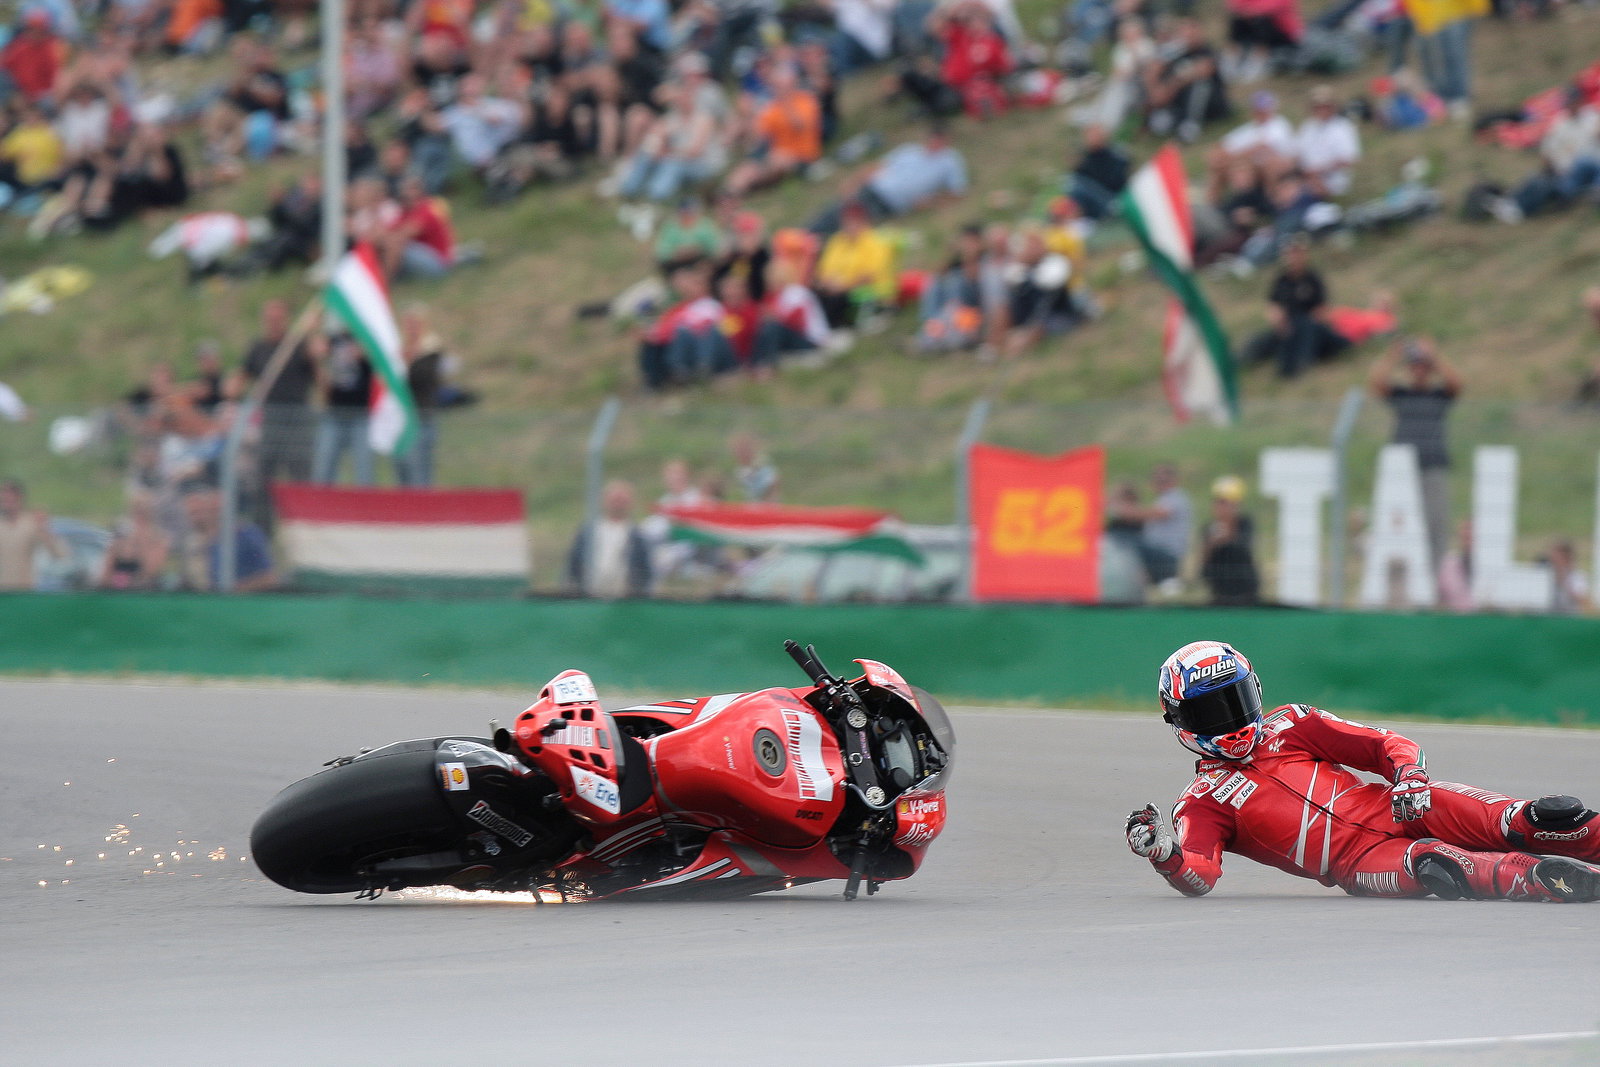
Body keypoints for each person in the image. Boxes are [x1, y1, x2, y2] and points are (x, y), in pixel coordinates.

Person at [1125, 640, 1600, 901]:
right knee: (1440, 864)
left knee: (1541, 817)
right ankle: (1547, 880)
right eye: (1212, 712)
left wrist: (1409, 776)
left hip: (1401, 807)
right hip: (1358, 864)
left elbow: (1385, 744)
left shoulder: (1293, 722)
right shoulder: (1201, 801)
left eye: (1237, 701)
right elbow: (1199, 876)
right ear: (1182, 721)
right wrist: (1164, 853)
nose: (1230, 720)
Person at [1368, 335, 1460, 569]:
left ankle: (1435, 576)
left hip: (1432, 465)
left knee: (1435, 524)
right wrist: (1393, 356)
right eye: (1415, 366)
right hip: (1403, 469)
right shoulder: (1401, 395)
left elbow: (1456, 384)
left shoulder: (1438, 396)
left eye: (1423, 367)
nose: (1419, 371)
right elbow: (1376, 383)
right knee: (1398, 524)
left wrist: (1434, 356)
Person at [807, 123, 969, 236]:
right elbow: (878, 166)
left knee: (850, 226)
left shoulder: (950, 161)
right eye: (934, 137)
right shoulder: (910, 151)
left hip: (890, 204)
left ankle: (814, 246)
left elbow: (958, 191)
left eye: (940, 139)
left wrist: (933, 201)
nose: (935, 142)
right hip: (873, 189)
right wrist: (853, 182)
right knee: (835, 211)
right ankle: (803, 234)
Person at [564, 479, 653, 598]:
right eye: (614, 500)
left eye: (622, 501)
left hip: (624, 602)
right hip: (589, 599)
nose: (618, 505)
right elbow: (573, 566)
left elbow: (645, 572)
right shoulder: (588, 533)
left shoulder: (637, 537)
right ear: (604, 501)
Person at [179, 485, 277, 592]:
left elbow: (268, 577)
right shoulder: (192, 541)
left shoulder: (246, 534)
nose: (196, 517)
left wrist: (231, 592)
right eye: (192, 513)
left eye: (198, 511)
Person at [1199, 475, 1259, 606]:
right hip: (1219, 592)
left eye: (1227, 503)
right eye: (1219, 502)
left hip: (1245, 592)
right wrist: (1212, 543)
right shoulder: (1209, 528)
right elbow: (1204, 564)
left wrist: (1226, 530)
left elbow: (1243, 547)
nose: (1222, 507)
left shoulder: (1245, 523)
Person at [0, 479, 65, 591]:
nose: (5, 500)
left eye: (9, 496)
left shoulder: (31, 523)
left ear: (19, 498)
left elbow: (60, 553)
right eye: (3, 496)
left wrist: (44, 528)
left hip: (24, 591)